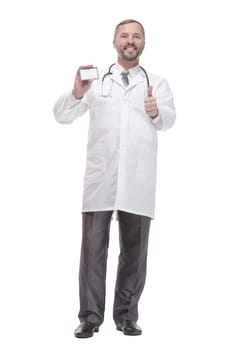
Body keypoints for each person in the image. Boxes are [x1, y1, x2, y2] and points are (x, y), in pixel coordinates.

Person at [53, 19, 176, 338]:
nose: (130, 41)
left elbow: (169, 119)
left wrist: (154, 112)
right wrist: (76, 93)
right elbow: (62, 115)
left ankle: (126, 315)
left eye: (136, 36)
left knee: (134, 255)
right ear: (114, 42)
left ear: (144, 43)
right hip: (100, 181)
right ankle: (90, 317)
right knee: (92, 251)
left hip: (138, 181)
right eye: (124, 36)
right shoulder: (96, 81)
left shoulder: (158, 83)